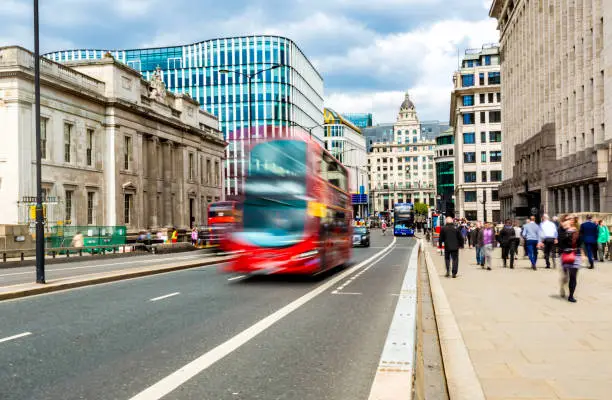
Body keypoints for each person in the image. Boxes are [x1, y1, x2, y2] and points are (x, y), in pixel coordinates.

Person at [559, 215, 582, 302]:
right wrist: (566, 232)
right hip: (565, 254)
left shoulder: (577, 230)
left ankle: (571, 295)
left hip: (576, 255)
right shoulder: (562, 230)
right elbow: (560, 243)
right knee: (565, 276)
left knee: (573, 276)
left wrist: (575, 234)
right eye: (568, 219)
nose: (570, 221)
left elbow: (580, 243)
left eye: (572, 219)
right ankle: (562, 285)